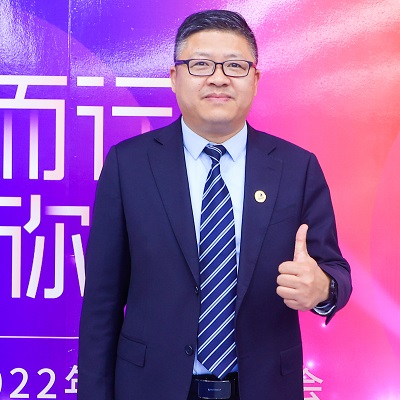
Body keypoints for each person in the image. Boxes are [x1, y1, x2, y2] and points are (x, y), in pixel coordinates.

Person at [78, 9, 352, 400]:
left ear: (255, 79)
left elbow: (335, 270)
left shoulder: (296, 167)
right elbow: (101, 302)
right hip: (152, 387)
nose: (218, 78)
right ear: (174, 77)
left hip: (263, 388)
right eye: (201, 64)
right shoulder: (129, 164)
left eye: (235, 66)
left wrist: (322, 288)